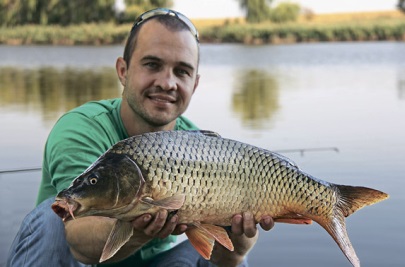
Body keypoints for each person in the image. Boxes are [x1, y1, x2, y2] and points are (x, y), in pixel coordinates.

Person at [7, 8, 275, 267]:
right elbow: (77, 239)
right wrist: (138, 229)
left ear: (194, 84)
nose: (167, 83)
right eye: (152, 64)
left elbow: (229, 260)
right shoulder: (82, 129)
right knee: (51, 215)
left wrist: (240, 237)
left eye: (182, 71)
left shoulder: (200, 147)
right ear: (123, 71)